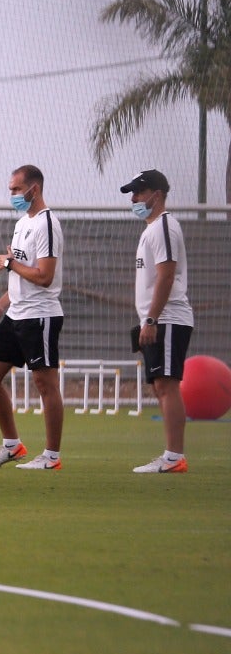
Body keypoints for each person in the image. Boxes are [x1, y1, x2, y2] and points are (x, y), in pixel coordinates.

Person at [0, 164, 65, 470]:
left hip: (40, 315)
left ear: (33, 189)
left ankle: (51, 456)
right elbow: (20, 273)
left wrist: (11, 264)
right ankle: (12, 446)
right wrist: (2, 304)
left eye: (16, 189)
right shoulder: (21, 223)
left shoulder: (47, 223)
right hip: (16, 314)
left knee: (44, 383)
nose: (12, 194)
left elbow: (44, 276)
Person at [122, 169, 194, 474]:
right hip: (155, 320)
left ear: (157, 195)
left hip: (167, 319)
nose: (135, 199)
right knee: (160, 386)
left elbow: (166, 276)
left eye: (139, 193)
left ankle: (174, 456)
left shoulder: (164, 227)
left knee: (167, 386)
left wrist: (151, 319)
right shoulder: (151, 229)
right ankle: (171, 454)